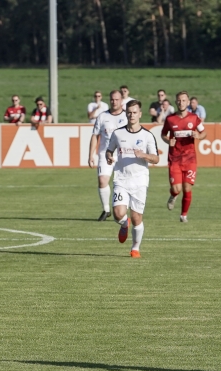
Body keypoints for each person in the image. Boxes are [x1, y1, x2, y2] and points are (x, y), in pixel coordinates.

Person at [106, 100, 160, 258]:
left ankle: (135, 248)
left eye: (135, 112)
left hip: (140, 181)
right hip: (121, 179)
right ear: (126, 113)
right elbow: (109, 151)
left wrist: (143, 155)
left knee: (137, 218)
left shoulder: (147, 135)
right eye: (129, 112)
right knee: (117, 213)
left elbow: (156, 159)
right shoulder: (118, 133)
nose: (132, 115)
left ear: (140, 114)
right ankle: (124, 223)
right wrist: (109, 157)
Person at [161, 91, 207, 222]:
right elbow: (164, 134)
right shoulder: (170, 119)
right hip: (174, 159)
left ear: (188, 102)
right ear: (176, 102)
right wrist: (167, 140)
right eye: (179, 100)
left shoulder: (194, 118)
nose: (181, 103)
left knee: (187, 188)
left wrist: (198, 136)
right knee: (177, 189)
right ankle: (173, 195)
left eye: (184, 100)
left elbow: (204, 133)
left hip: (190, 159)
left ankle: (183, 215)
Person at [88, 90, 128, 221]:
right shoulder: (102, 116)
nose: (114, 102)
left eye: (117, 99)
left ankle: (123, 210)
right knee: (102, 181)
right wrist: (91, 155)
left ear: (121, 100)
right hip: (105, 155)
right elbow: (95, 135)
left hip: (122, 156)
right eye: (112, 99)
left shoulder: (128, 116)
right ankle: (106, 210)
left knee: (124, 184)